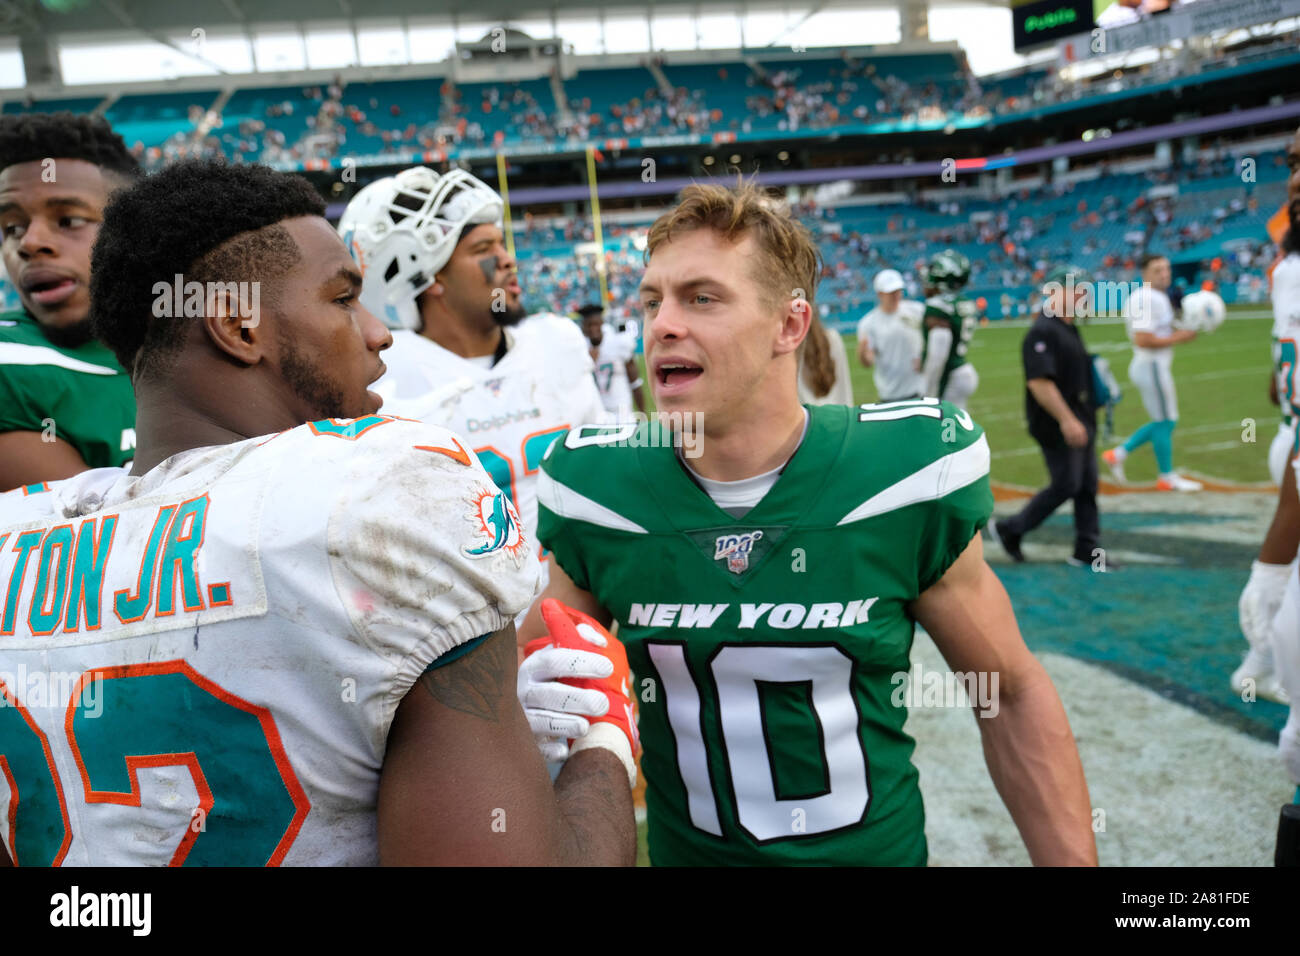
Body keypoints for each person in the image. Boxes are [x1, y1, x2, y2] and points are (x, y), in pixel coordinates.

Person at [0, 160, 635, 866]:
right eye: (342, 299)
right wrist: (604, 738)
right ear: (239, 325)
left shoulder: (17, 537)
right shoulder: (382, 495)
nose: (378, 332)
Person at [520, 182, 1096, 866]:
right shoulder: (599, 494)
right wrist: (521, 699)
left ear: (790, 325)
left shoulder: (901, 476)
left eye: (702, 297)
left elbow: (1009, 691)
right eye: (653, 300)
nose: (662, 324)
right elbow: (536, 696)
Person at [337, 166, 607, 612]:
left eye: (501, 243)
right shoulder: (383, 380)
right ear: (427, 278)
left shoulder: (556, 344)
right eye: (483, 248)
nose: (507, 259)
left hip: (577, 619)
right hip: (464, 645)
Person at [0, 113, 140, 492]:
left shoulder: (195, 341)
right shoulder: (11, 365)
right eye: (11, 228)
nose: (28, 243)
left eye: (69, 220)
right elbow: (99, 538)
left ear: (136, 229)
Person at [986, 266, 1113, 570]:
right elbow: (1040, 382)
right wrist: (1067, 420)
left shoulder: (1066, 326)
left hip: (1080, 416)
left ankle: (1086, 547)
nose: (1083, 295)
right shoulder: (1043, 330)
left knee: (1086, 485)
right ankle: (1010, 528)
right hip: (1057, 422)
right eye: (1077, 289)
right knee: (1068, 484)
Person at [1234, 125, 1300, 705]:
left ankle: (1260, 664)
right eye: (1292, 162)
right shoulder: (1290, 264)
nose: (1295, 179)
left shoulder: (1287, 266)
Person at [1101, 254, 1202, 491]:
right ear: (1145, 273)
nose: (1165, 274)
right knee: (1165, 421)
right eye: (1158, 270)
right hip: (1151, 365)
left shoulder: (1155, 297)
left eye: (1166, 269)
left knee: (1165, 420)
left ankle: (1117, 454)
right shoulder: (1145, 298)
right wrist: (1182, 336)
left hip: (1153, 365)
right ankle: (1166, 476)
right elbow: (1143, 339)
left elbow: (1160, 330)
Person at [920, 248, 980, 409]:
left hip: (950, 376)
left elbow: (938, 355)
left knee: (948, 429)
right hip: (962, 368)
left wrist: (928, 391)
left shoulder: (939, 306)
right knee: (958, 425)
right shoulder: (964, 302)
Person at [856, 268, 925, 402]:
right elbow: (868, 361)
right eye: (890, 292)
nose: (896, 295)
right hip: (890, 394)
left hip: (921, 390)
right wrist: (862, 353)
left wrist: (926, 358)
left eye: (898, 291)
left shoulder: (917, 310)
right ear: (880, 294)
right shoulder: (868, 323)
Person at [579, 302, 646, 417]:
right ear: (583, 327)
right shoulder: (581, 349)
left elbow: (634, 383)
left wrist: (643, 414)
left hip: (621, 411)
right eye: (588, 325)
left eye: (595, 324)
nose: (592, 329)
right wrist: (589, 363)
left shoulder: (617, 343)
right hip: (596, 414)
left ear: (602, 323)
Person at [797, 312, 853, 406]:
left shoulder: (832, 339)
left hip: (814, 417)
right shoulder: (833, 338)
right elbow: (845, 393)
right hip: (836, 415)